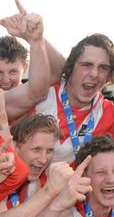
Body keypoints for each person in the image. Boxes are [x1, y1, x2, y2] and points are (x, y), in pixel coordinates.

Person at [33, 34, 114, 164]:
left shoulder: (109, 113)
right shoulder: (40, 97)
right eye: (86, 65)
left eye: (103, 68)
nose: (94, 74)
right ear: (71, 67)